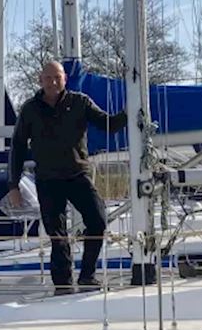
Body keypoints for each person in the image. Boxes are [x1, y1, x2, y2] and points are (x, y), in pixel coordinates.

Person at [7, 61, 127, 294]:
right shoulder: (30, 109)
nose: (53, 82)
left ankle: (87, 276)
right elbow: (18, 147)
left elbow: (107, 124)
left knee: (98, 220)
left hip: (77, 174)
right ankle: (63, 284)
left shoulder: (79, 102)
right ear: (40, 80)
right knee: (57, 234)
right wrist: (13, 185)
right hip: (48, 179)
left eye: (57, 78)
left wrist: (129, 114)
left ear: (65, 80)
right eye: (48, 78)